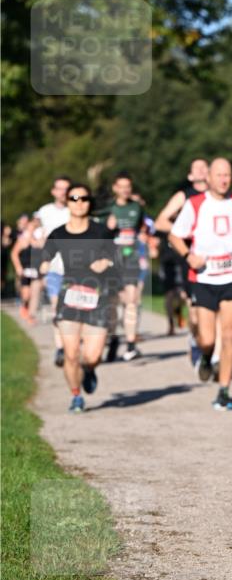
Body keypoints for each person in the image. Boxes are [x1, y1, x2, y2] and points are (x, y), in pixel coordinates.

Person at [169, 157, 232, 410]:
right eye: (219, 175)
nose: (224, 180)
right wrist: (188, 256)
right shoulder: (195, 204)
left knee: (229, 334)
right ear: (208, 178)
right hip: (203, 277)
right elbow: (175, 235)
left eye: (228, 175)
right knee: (207, 339)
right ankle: (205, 356)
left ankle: (224, 390)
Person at [39, 183, 118, 413]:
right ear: (67, 202)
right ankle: (76, 396)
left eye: (84, 199)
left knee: (91, 357)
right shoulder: (59, 234)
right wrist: (43, 265)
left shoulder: (101, 232)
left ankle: (89, 369)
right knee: (71, 354)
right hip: (70, 296)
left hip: (98, 297)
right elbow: (44, 257)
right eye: (74, 198)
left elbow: (116, 258)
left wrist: (105, 262)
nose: (79, 203)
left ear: (90, 203)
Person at [155, 159, 209, 363]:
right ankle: (195, 340)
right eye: (197, 168)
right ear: (190, 176)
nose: (202, 170)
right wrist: (185, 230)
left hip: (216, 257)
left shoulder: (219, 196)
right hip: (190, 257)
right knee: (194, 309)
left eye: (205, 167)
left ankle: (214, 351)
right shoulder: (183, 196)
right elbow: (160, 222)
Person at [106, 172, 144, 361]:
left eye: (128, 186)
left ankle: (130, 345)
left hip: (131, 259)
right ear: (115, 188)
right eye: (121, 186)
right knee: (112, 303)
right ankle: (113, 338)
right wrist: (109, 227)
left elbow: (143, 228)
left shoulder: (137, 207)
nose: (125, 190)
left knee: (132, 300)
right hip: (112, 261)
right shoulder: (108, 208)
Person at [37, 176, 71, 366]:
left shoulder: (76, 209)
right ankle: (60, 348)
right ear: (53, 191)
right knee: (57, 309)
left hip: (75, 269)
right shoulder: (45, 212)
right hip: (53, 269)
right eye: (60, 188)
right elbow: (38, 235)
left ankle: (73, 345)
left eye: (66, 189)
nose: (63, 192)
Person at [10, 214, 45, 323]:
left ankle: (31, 314)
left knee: (35, 292)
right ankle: (25, 306)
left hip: (35, 270)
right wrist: (18, 267)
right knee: (26, 294)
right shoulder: (22, 241)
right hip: (25, 269)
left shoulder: (37, 241)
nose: (32, 230)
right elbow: (14, 254)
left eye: (33, 228)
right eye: (30, 228)